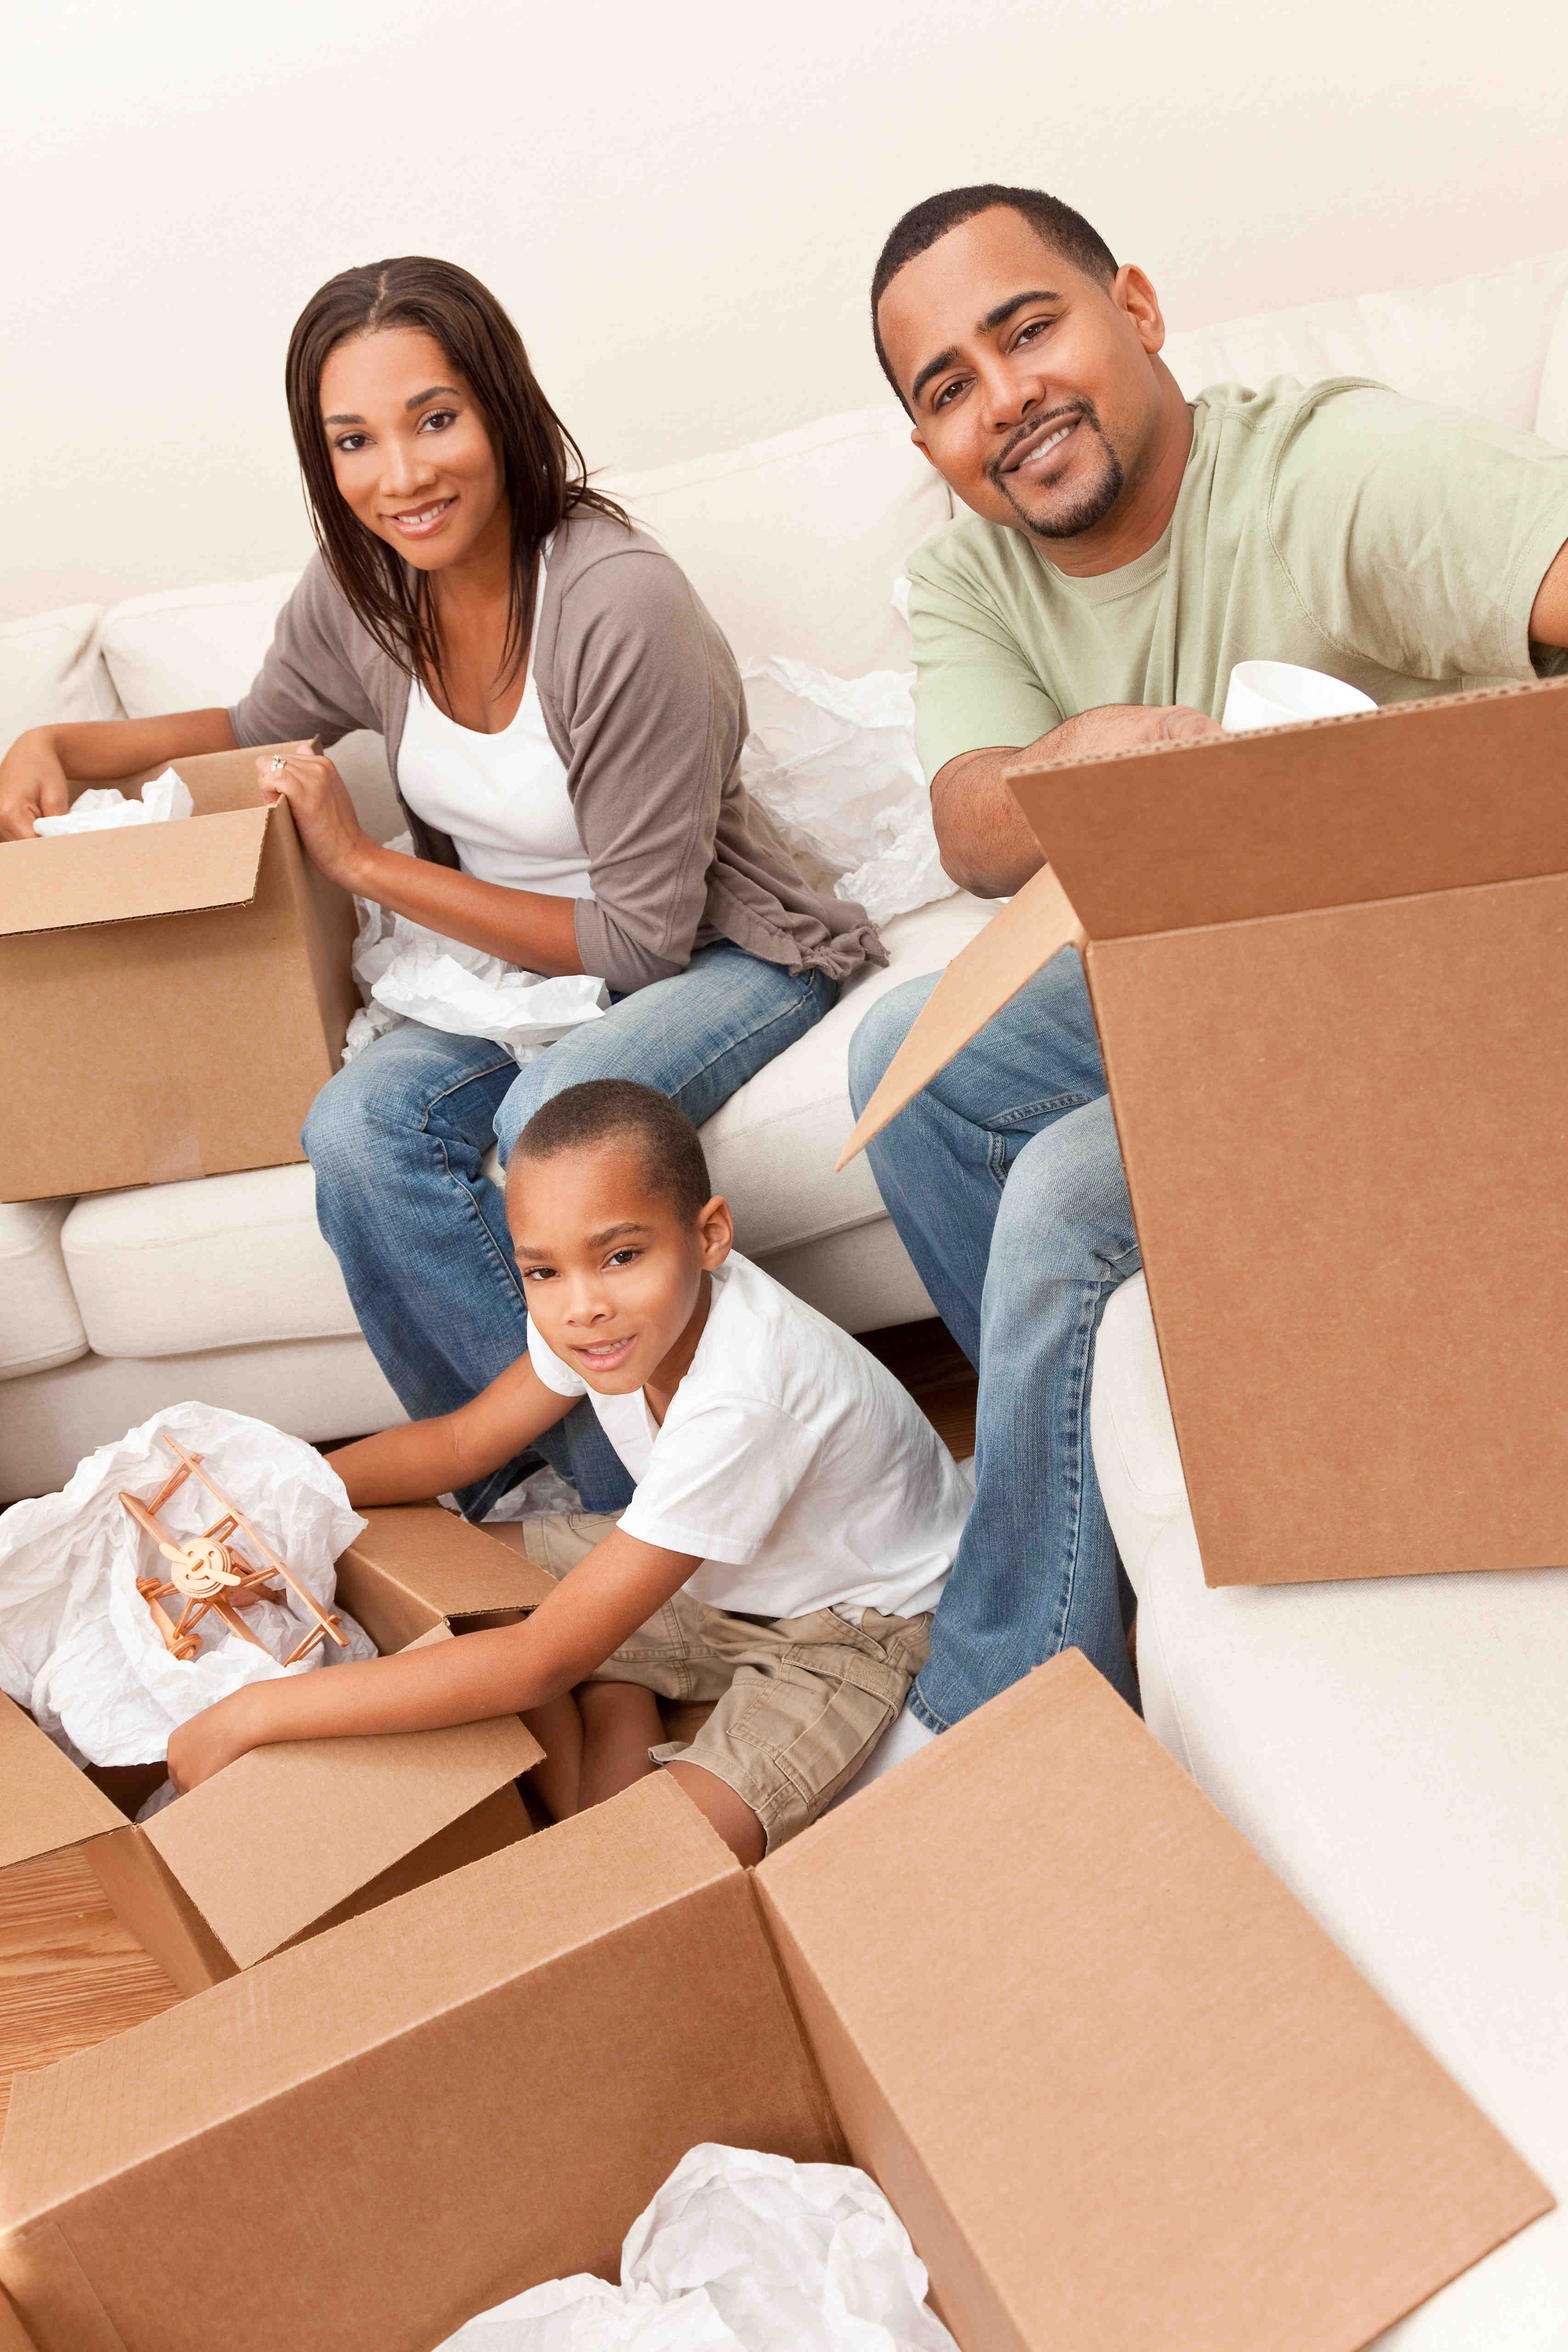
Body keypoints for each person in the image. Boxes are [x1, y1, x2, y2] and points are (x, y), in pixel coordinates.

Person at [848, 182, 1568, 1760]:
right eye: (946, 386)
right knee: (903, 1063)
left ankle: (1017, 1699)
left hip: (1450, 1000)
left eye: (1026, 329)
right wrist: (1090, 755)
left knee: (1059, 1199)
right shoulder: (977, 570)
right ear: (929, 450)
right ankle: (1106, 1476)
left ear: (1140, 310)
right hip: (1230, 999)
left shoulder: (1329, 471)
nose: (1005, 398)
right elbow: (973, 823)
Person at [0, 256, 882, 1523]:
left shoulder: (614, 600)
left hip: (712, 950)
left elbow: (639, 941)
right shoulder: (365, 594)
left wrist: (365, 868)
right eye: (353, 441)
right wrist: (75, 748)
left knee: (554, 1121)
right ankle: (553, 1517)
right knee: (353, 1132)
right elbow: (259, 721)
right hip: (508, 974)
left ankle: (669, 1528)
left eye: (432, 419)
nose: (399, 477)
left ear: (500, 408)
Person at [164, 1080, 973, 1862]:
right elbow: (459, 1446)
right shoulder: (597, 1321)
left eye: (620, 1255)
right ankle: (622, 1696)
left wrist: (252, 1714)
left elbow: (539, 1660)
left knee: (635, 1865)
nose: (580, 1305)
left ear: (709, 1235)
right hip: (710, 1576)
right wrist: (272, 1497)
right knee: (429, 1575)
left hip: (846, 1630)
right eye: (543, 1271)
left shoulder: (748, 1392)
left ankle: (614, 1704)